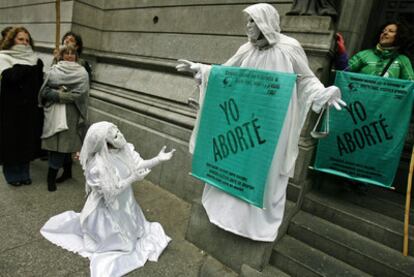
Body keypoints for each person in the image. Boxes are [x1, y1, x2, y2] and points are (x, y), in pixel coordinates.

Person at [176, 3, 346, 242]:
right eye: (248, 21)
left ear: (266, 23)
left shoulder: (290, 48)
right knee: (234, 158)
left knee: (266, 166)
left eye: (253, 21)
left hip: (273, 122)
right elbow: (225, 72)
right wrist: (201, 69)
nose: (248, 26)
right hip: (243, 118)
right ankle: (225, 213)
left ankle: (253, 221)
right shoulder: (246, 49)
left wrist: (323, 94)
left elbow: (306, 80)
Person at [41, 121, 175, 277]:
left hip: (125, 201)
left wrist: (158, 159)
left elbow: (138, 165)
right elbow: (109, 193)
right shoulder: (97, 166)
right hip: (107, 207)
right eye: (115, 135)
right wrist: (132, 179)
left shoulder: (125, 149)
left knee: (130, 221)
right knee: (117, 235)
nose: (121, 135)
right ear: (105, 143)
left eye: (118, 131)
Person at [39, 44, 89, 191]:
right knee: (56, 144)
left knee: (66, 145)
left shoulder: (82, 73)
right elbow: (44, 89)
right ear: (60, 55)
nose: (69, 55)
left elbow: (81, 93)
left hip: (71, 112)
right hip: (54, 110)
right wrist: (55, 95)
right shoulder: (53, 70)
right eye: (66, 53)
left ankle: (61, 174)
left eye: (72, 53)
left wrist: (61, 95)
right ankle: (53, 176)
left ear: (76, 56)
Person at [0, 26, 44, 186]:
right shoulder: (4, 57)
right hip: (11, 109)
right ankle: (12, 174)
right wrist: (27, 67)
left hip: (30, 109)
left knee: (27, 141)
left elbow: (39, 84)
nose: (24, 43)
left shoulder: (35, 60)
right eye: (20, 39)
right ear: (12, 40)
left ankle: (24, 172)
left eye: (27, 40)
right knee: (12, 141)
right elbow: (9, 79)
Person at [336, 22, 414, 80]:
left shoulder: (403, 60)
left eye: (390, 31)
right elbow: (344, 71)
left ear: (399, 36)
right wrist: (342, 51)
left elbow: (410, 85)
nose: (385, 33)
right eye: (383, 31)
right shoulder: (365, 54)